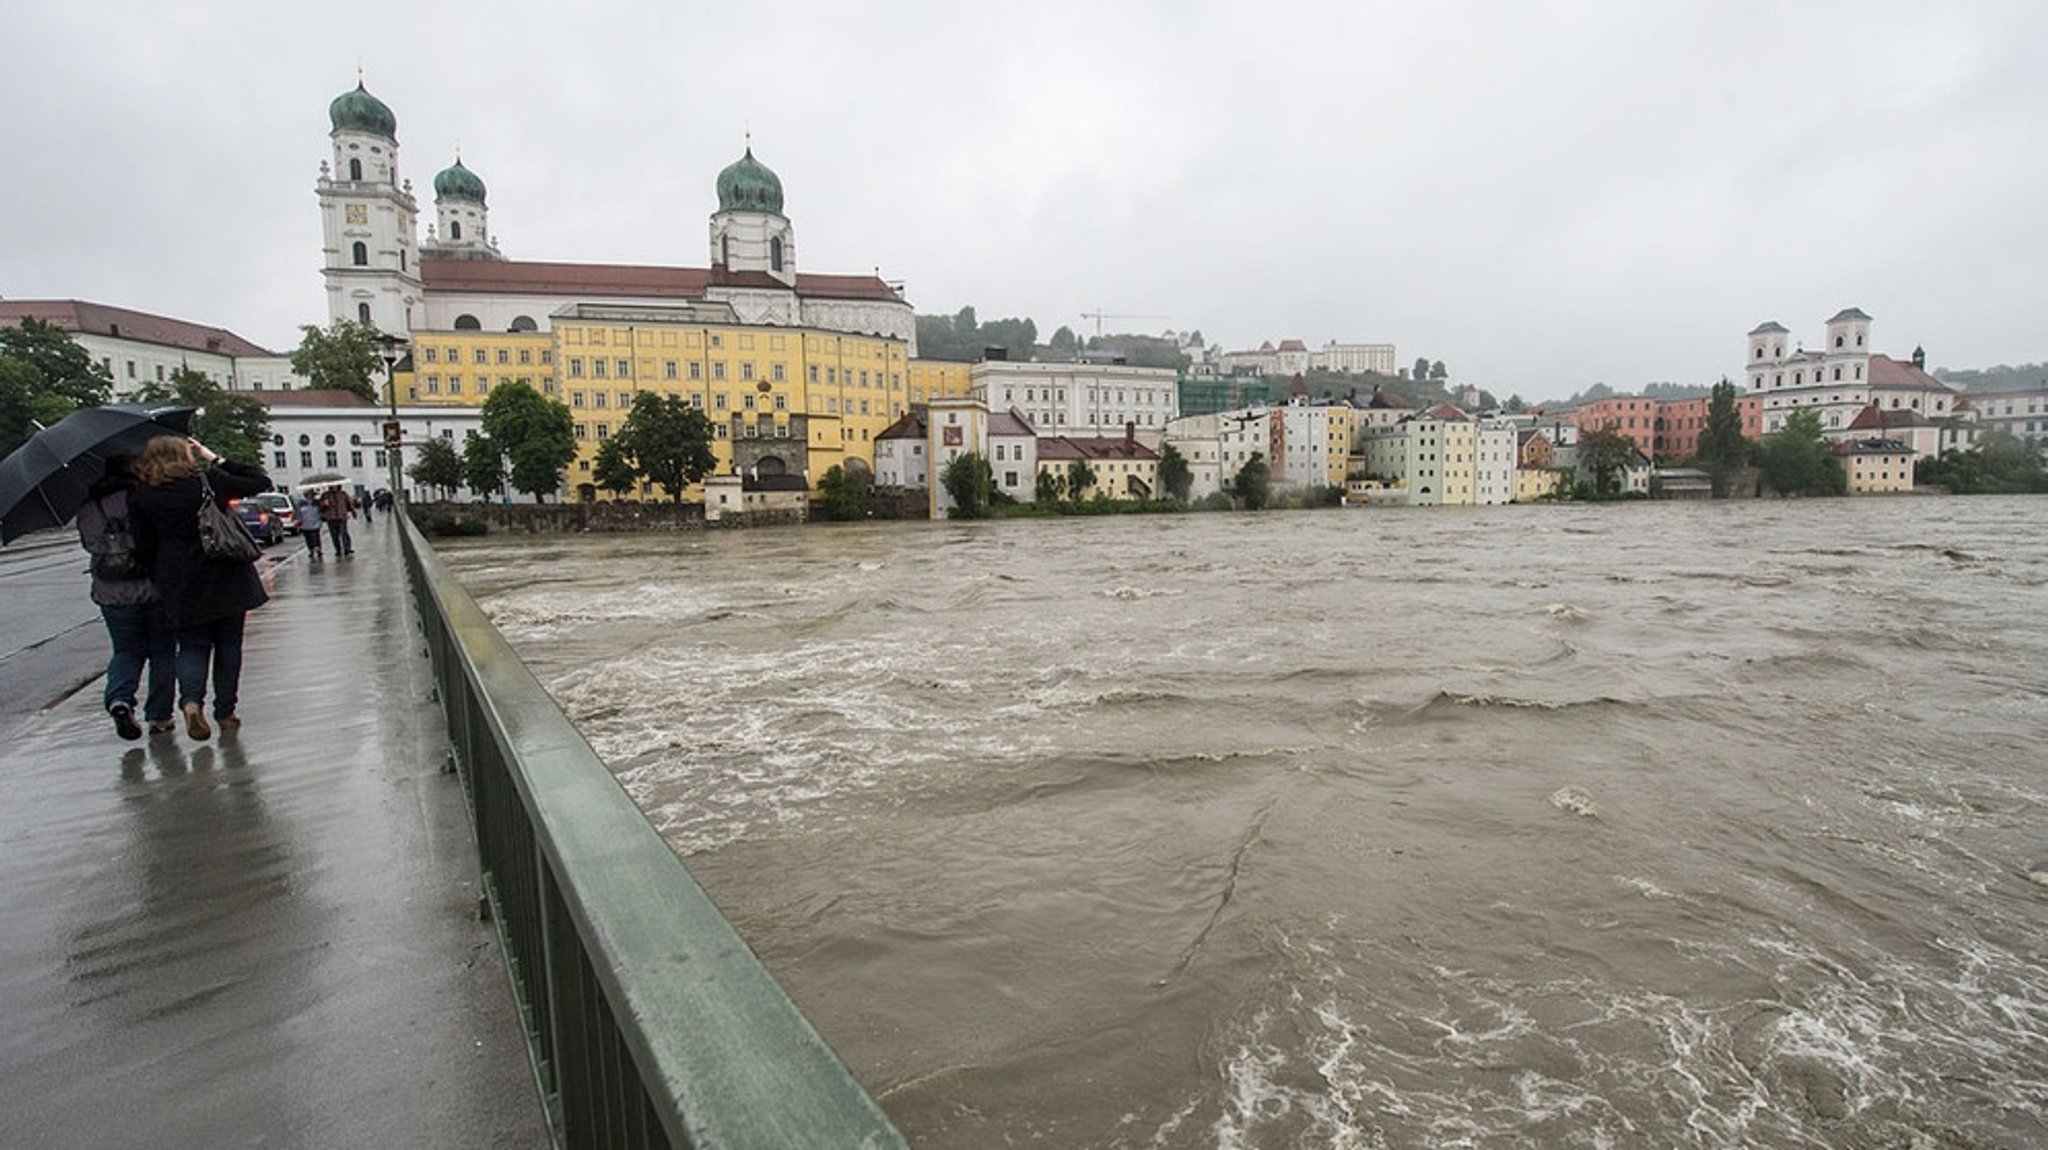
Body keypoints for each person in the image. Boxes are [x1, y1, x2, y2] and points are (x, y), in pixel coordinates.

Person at [128, 436, 272, 740]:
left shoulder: (141, 495)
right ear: (185, 456)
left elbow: (142, 546)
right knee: (229, 646)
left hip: (178, 582)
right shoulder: (207, 482)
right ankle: (226, 712)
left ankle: (191, 702)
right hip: (225, 575)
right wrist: (214, 456)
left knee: (192, 646)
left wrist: (160, 576)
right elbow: (259, 480)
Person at [75, 458, 177, 739]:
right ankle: (160, 716)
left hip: (112, 591)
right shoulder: (142, 497)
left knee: (125, 651)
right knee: (163, 652)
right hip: (152, 587)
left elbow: (89, 544)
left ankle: (120, 700)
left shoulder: (88, 507)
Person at [319, 485, 356, 556]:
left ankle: (347, 548)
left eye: (335, 486)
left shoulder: (343, 494)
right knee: (334, 535)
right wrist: (324, 504)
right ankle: (338, 549)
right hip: (331, 518)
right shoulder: (325, 495)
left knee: (344, 533)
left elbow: (349, 503)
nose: (334, 487)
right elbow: (320, 507)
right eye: (333, 486)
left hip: (342, 516)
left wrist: (353, 511)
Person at [293, 491, 326, 558]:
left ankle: (318, 549)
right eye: (309, 494)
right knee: (308, 537)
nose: (310, 496)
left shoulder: (317, 503)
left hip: (315, 522)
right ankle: (311, 550)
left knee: (316, 536)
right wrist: (298, 520)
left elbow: (322, 510)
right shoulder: (301, 503)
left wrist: (324, 506)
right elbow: (298, 512)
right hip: (305, 523)